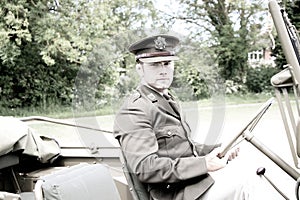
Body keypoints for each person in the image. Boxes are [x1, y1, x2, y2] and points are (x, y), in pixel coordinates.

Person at [113, 34, 280, 200]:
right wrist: (205, 163)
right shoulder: (134, 110)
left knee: (254, 170)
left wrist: (220, 150)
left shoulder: (167, 99)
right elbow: (145, 168)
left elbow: (183, 149)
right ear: (140, 69)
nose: (163, 70)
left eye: (167, 63)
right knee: (245, 183)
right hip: (174, 194)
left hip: (192, 185)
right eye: (155, 65)